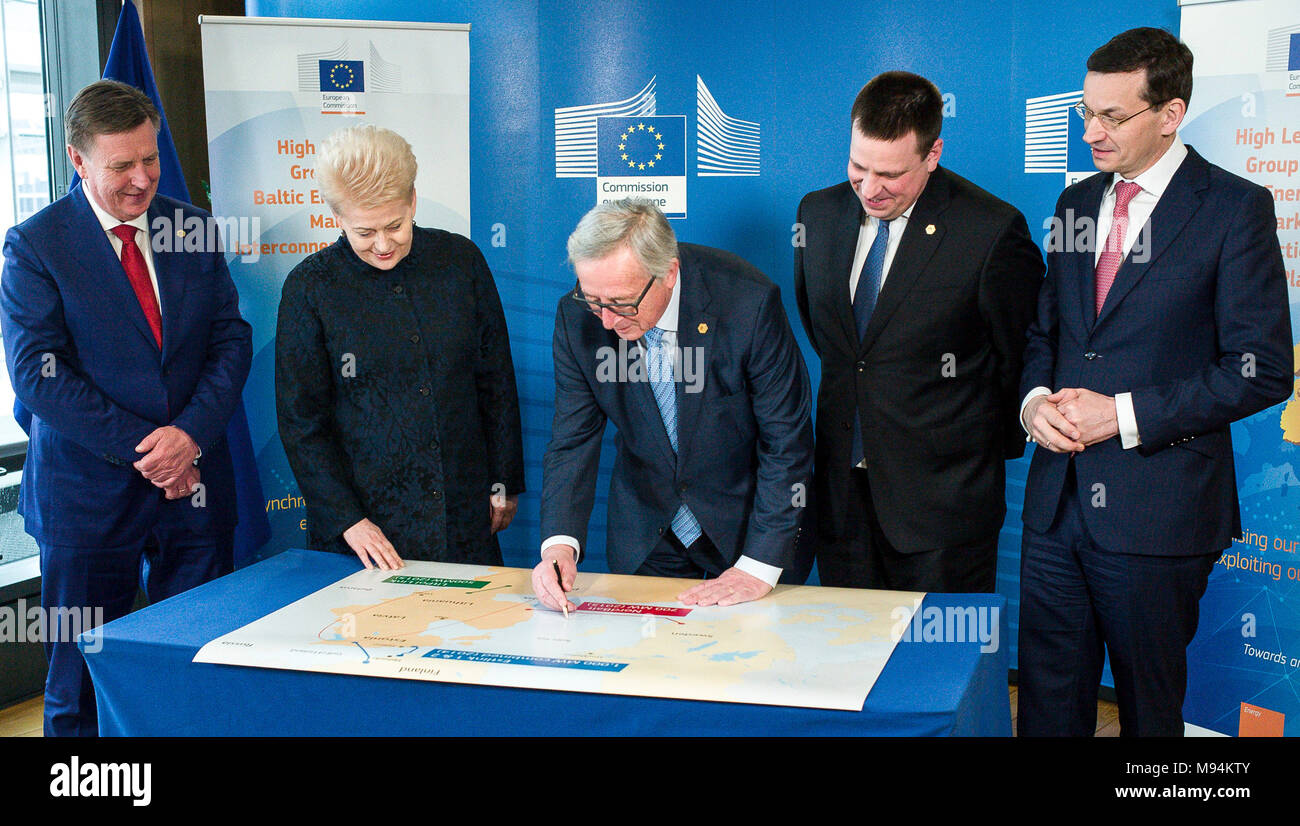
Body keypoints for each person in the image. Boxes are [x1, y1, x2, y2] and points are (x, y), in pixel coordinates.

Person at [1018, 27, 1292, 736]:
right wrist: (1033, 402)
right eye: (1085, 112)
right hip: (1055, 505)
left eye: (1113, 116)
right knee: (1049, 702)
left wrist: (1125, 415)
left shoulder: (1235, 210)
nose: (1091, 132)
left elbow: (1261, 371)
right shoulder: (1074, 206)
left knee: (1148, 709)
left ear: (1170, 114)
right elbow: (1046, 334)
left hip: (1160, 511)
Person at [0, 80, 253, 736]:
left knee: (193, 666)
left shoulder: (191, 225)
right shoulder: (35, 246)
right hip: (87, 502)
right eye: (122, 166)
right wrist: (157, 450)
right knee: (80, 683)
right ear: (77, 160)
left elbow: (230, 338)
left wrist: (190, 436)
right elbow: (39, 377)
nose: (142, 179)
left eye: (151, 159)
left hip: (193, 493)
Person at [794, 71, 1043, 593]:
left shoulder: (991, 230)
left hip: (944, 510)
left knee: (940, 665)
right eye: (858, 167)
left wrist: (961, 459)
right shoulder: (816, 214)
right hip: (841, 503)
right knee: (848, 661)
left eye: (890, 174)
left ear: (933, 155)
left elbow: (1016, 358)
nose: (869, 188)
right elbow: (836, 344)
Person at [532, 199, 813, 611]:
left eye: (622, 303)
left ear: (668, 273)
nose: (607, 321)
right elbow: (572, 441)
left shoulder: (747, 304)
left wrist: (759, 563)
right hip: (647, 530)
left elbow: (785, 441)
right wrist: (559, 544)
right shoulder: (577, 320)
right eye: (593, 300)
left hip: (745, 525)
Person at [276, 124, 523, 570]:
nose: (384, 245)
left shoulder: (460, 261)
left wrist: (504, 481)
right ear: (337, 217)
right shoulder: (310, 287)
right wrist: (348, 519)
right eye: (364, 232)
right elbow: (301, 421)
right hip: (364, 531)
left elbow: (496, 381)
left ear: (413, 200)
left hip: (463, 513)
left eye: (395, 225)